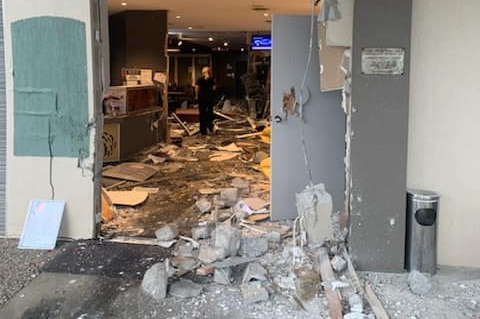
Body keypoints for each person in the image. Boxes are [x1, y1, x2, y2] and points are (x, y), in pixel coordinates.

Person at [195, 66, 216, 135]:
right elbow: (214, 88)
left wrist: (196, 97)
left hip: (202, 99)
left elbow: (197, 89)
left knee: (202, 114)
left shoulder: (199, 79)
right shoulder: (211, 79)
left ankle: (203, 130)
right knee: (210, 114)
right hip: (209, 99)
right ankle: (210, 128)